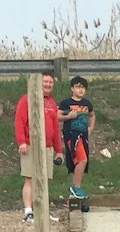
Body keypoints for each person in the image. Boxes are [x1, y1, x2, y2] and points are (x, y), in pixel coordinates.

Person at [14, 71, 63, 223]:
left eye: (50, 82)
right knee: (30, 178)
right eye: (45, 82)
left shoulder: (52, 103)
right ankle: (28, 212)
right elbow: (19, 121)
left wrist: (59, 150)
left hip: (47, 147)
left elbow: (55, 128)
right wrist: (22, 142)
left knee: (44, 180)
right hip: (31, 145)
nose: (47, 85)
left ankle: (42, 210)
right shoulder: (27, 99)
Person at [58, 76, 95, 199]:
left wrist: (91, 128)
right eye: (78, 87)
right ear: (72, 88)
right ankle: (76, 187)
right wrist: (68, 117)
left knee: (80, 161)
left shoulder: (87, 103)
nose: (81, 90)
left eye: (83, 87)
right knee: (82, 160)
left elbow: (92, 115)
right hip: (71, 135)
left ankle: (75, 189)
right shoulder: (66, 103)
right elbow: (57, 116)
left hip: (83, 135)